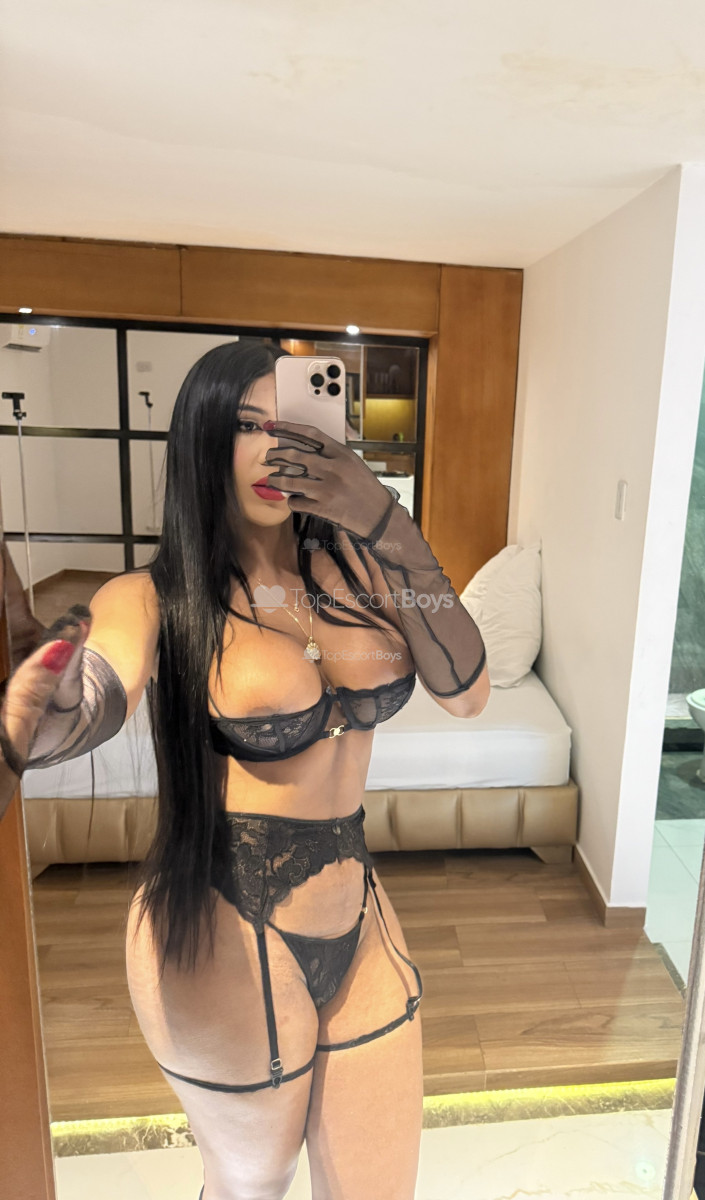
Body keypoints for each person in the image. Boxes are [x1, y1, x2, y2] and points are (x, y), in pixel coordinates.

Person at [2, 341, 489, 1199]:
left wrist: (387, 522)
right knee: (249, 1185)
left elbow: (467, 691)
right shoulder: (151, 596)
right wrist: (53, 707)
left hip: (356, 909)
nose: (271, 449)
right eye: (245, 426)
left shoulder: (364, 571)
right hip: (220, 922)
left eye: (289, 426)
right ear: (203, 441)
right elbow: (97, 693)